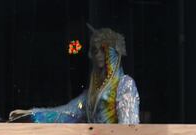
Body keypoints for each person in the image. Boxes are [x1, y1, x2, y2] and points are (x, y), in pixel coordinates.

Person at [9, 26, 139, 124]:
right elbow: (64, 113)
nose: (98, 54)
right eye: (95, 50)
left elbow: (129, 129)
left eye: (103, 49)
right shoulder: (90, 96)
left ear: (113, 52)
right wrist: (31, 114)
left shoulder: (125, 84)